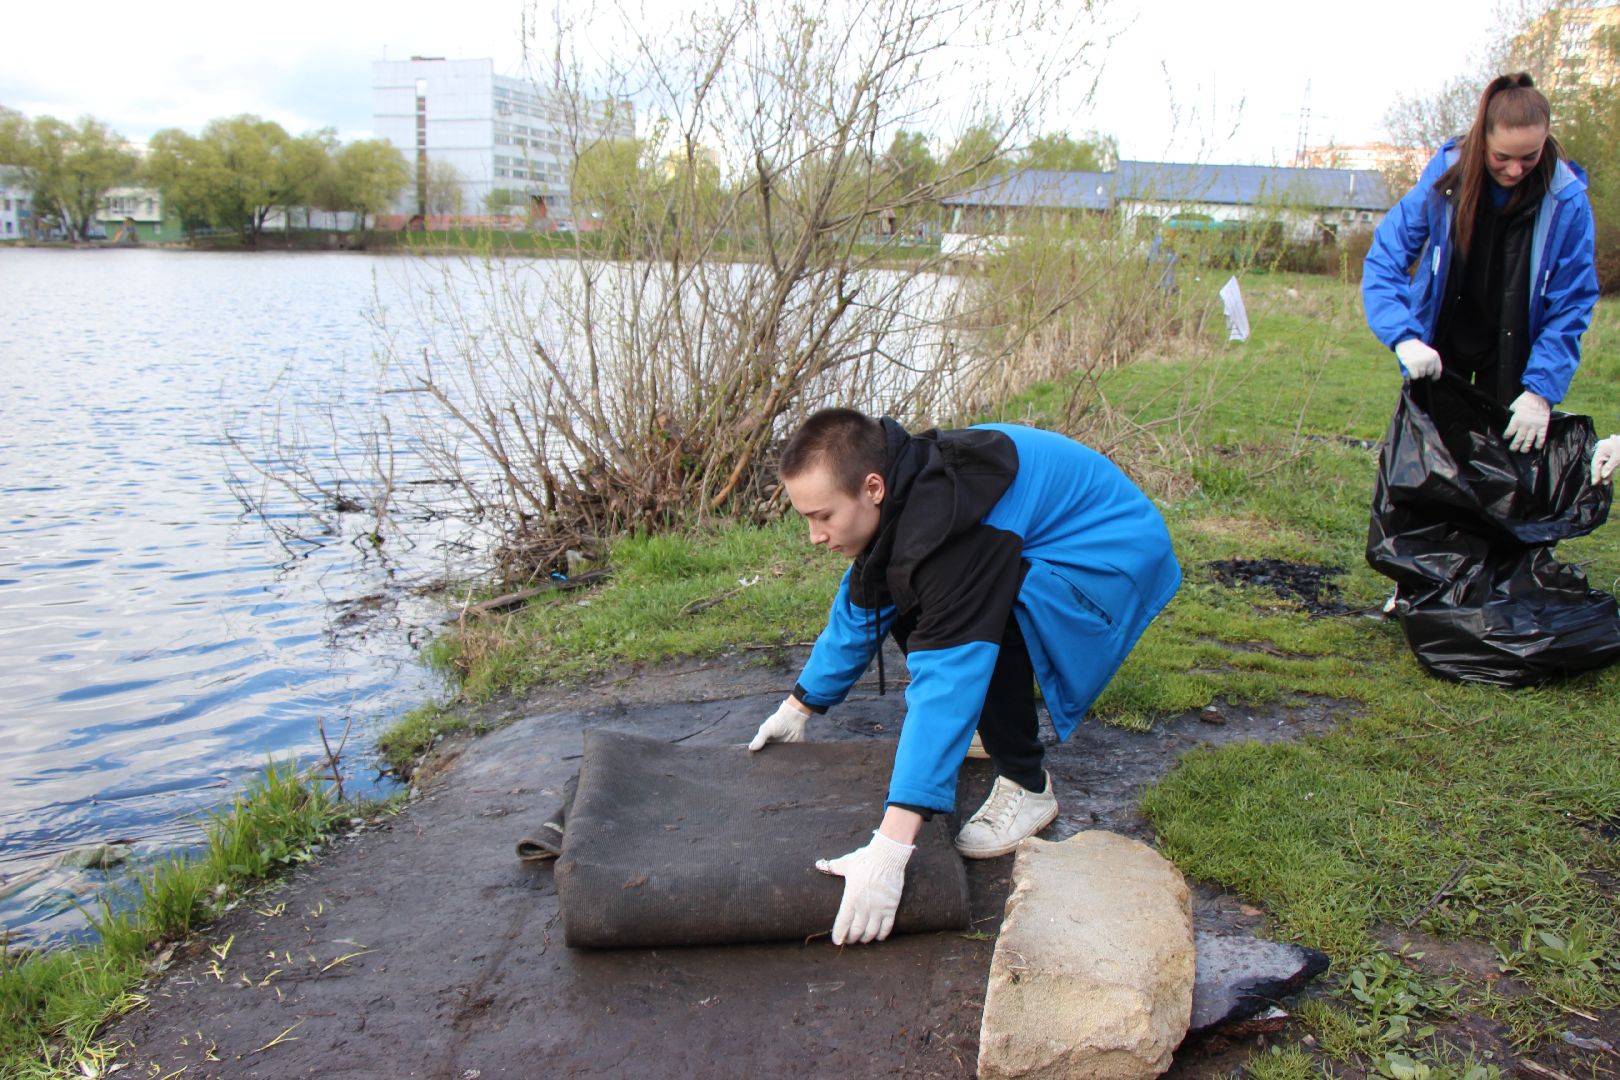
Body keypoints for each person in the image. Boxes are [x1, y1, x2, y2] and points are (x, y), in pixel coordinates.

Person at [748, 409, 1181, 945]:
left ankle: (1027, 785)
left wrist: (890, 850)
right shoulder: (906, 496)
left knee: (985, 620)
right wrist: (799, 707)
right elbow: (863, 607)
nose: (815, 536)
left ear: (872, 488)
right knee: (917, 599)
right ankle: (990, 725)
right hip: (1045, 539)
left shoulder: (957, 532)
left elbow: (948, 678)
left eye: (823, 517)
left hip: (1108, 553)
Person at [1362, 73, 1598, 453]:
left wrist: (1540, 392)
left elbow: (1571, 302)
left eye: (1530, 157)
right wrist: (1403, 337)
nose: (1515, 170)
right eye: (1501, 157)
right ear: (1482, 141)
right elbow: (1386, 257)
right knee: (1430, 461)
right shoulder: (1447, 177)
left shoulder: (1566, 202)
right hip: (1442, 343)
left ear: (1545, 140)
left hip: (1516, 353)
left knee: (1503, 467)